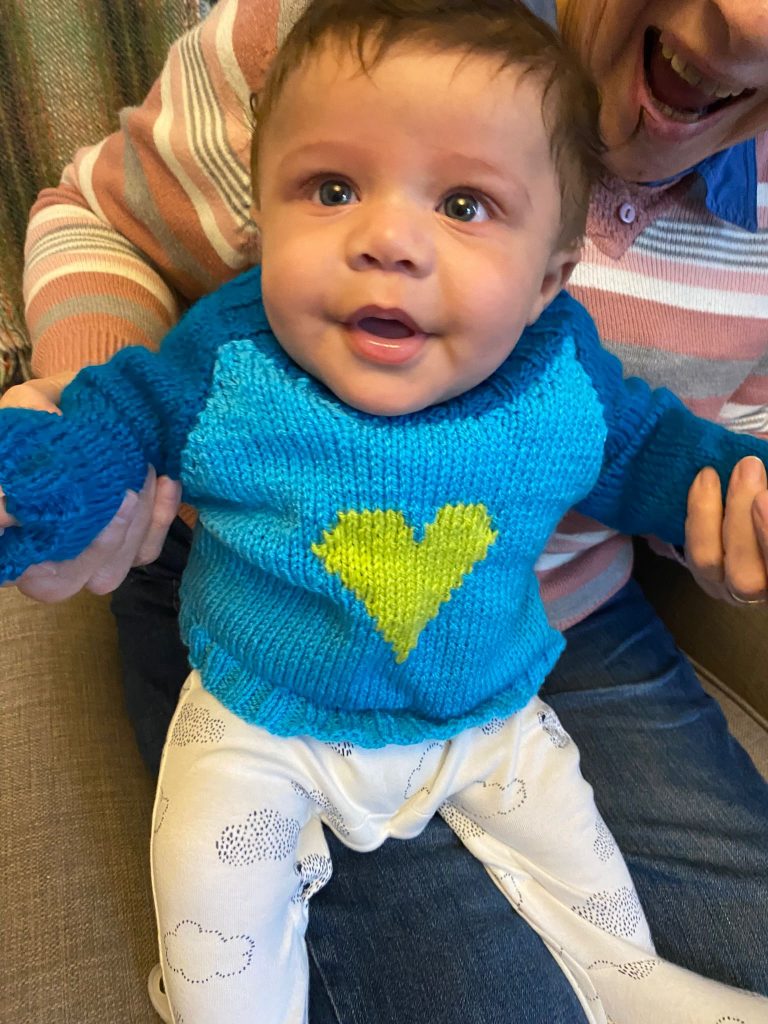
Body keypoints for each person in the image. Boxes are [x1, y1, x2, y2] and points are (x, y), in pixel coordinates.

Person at [2, 4, 768, 1022]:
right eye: (331, 189)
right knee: (218, 921)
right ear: (260, 217)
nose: (388, 240)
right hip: (261, 709)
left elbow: (667, 452)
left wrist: (738, 491)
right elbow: (120, 409)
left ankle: (625, 980)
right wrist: (56, 472)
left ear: (550, 281)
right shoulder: (229, 363)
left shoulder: (565, 378)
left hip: (493, 702)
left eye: (464, 204)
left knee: (607, 887)